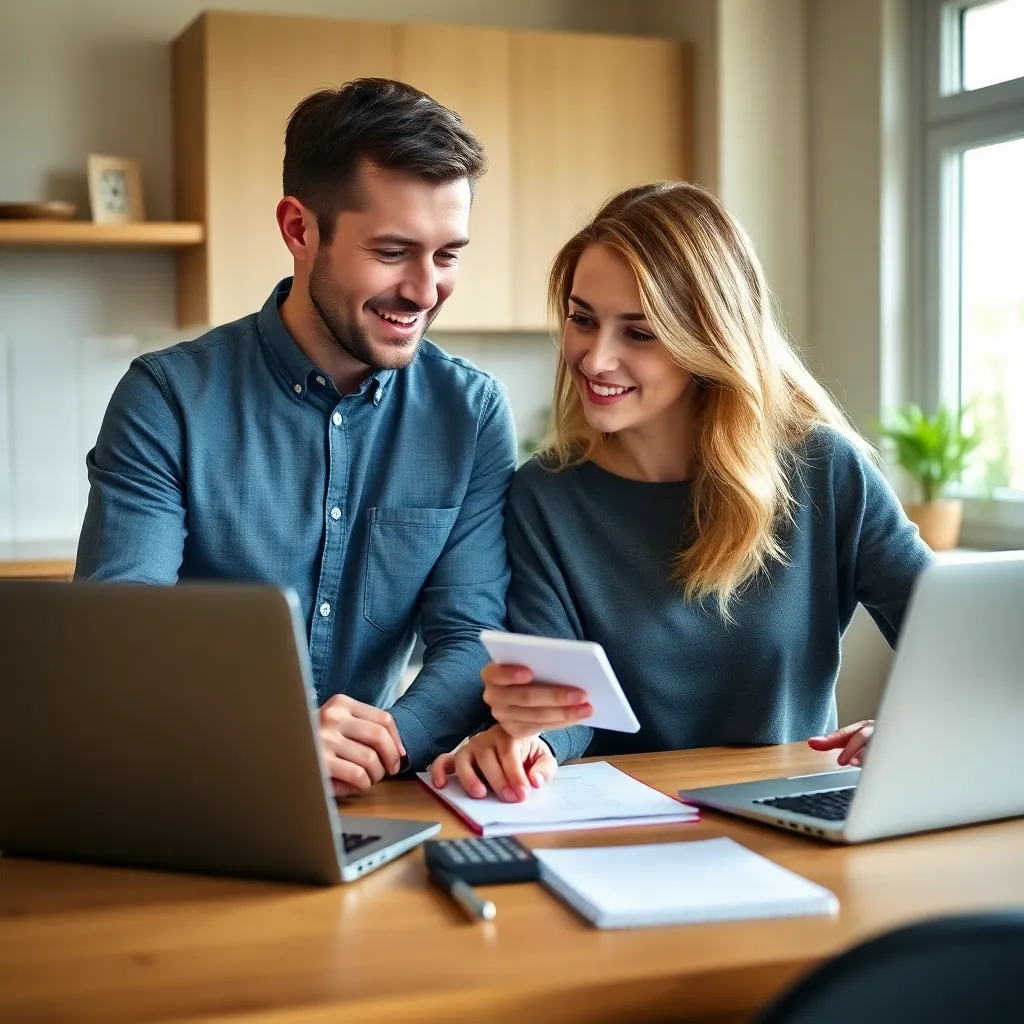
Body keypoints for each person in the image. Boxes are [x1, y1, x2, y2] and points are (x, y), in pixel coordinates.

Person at [76, 79, 517, 793]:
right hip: (190, 786)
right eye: (394, 250)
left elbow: (471, 640)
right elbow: (120, 639)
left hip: (371, 794)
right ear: (298, 229)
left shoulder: (470, 414)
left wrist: (386, 742)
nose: (424, 289)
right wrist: (272, 739)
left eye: (447, 255)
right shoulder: (165, 399)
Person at [430, 181, 932, 802]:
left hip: (795, 823)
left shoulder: (823, 469)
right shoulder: (543, 497)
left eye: (639, 333)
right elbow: (567, 706)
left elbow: (951, 639)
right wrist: (526, 741)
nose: (594, 359)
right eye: (583, 320)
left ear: (709, 340)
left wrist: (914, 730)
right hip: (623, 828)